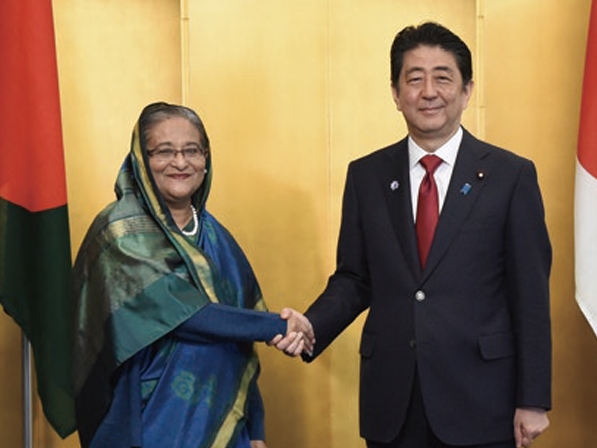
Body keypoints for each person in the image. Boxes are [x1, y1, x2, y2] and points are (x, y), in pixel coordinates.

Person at [275, 22, 552, 448]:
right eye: (415, 78)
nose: (428, 92)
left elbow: (530, 294)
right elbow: (355, 278)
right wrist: (312, 324)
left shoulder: (510, 176)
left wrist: (533, 399)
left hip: (482, 400)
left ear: (467, 91)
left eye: (443, 78)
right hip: (393, 401)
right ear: (395, 92)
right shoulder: (366, 175)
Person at [70, 102, 313, 448]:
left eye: (192, 151)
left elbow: (239, 343)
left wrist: (255, 428)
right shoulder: (120, 231)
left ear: (206, 158)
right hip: (148, 425)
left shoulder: (218, 238)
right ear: (141, 160)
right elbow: (183, 314)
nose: (180, 162)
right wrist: (278, 326)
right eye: (164, 152)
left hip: (226, 427)